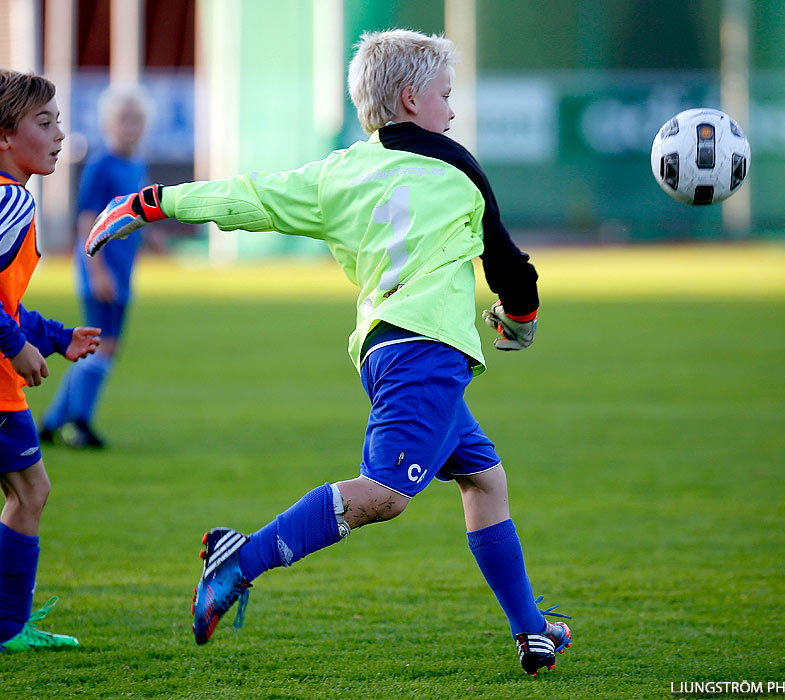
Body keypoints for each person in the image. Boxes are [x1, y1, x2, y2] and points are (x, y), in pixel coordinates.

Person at [85, 29, 572, 676]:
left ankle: (532, 631)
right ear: (410, 98)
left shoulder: (336, 172)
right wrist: (523, 317)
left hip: (385, 349)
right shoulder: (458, 167)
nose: (452, 111)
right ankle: (242, 557)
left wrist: (153, 202)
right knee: (385, 496)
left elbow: (246, 198)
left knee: (485, 481)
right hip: (426, 350)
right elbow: (509, 263)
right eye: (445, 96)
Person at [0, 69, 101, 652]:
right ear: (4, 138)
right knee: (28, 492)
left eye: (58, 119)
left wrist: (57, 336)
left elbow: (5, 299)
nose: (59, 133)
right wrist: (15, 347)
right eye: (43, 123)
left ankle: (8, 624)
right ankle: (9, 627)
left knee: (27, 491)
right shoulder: (12, 201)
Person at [40, 85, 150, 448]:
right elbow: (87, 219)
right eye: (123, 119)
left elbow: (130, 216)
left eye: (136, 119)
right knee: (101, 346)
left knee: (108, 347)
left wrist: (151, 238)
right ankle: (80, 423)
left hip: (122, 272)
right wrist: (98, 271)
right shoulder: (101, 164)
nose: (130, 126)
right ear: (108, 125)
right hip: (100, 272)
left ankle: (54, 421)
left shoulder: (136, 164)